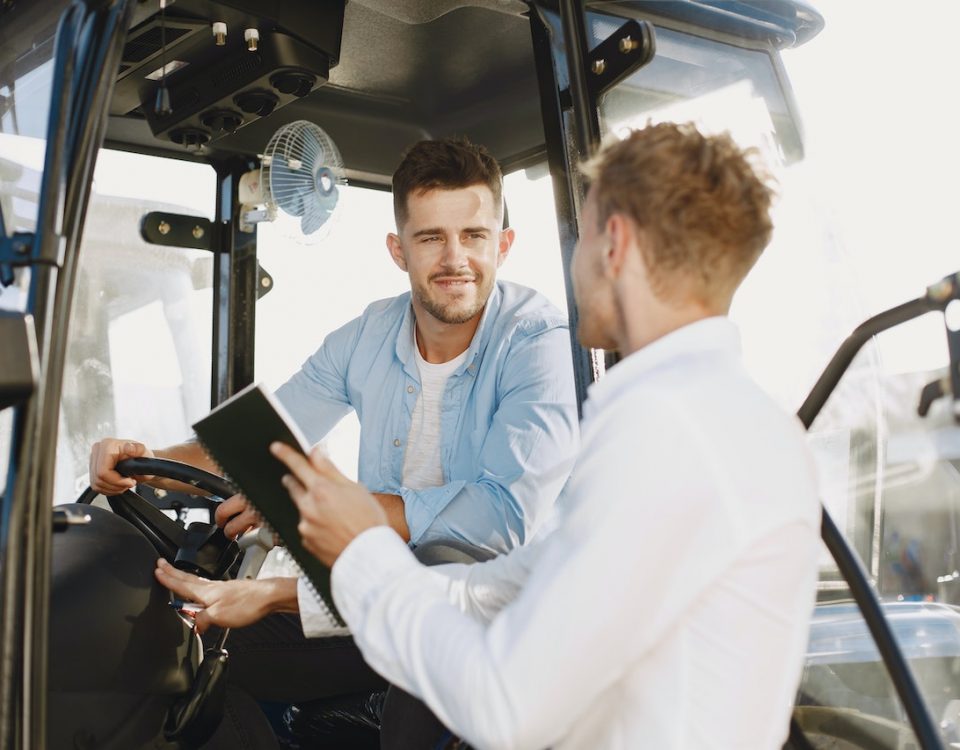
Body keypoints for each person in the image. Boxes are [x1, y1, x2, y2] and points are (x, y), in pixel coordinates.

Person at [207, 121, 823, 749]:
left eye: (576, 237)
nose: (573, 265)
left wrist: (360, 537)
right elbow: (497, 589)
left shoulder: (669, 431)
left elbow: (505, 708)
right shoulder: (726, 418)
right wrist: (278, 596)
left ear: (613, 244)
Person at [91, 137, 579, 746]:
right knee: (194, 655)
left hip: (500, 620)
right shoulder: (368, 335)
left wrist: (338, 515)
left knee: (436, 601)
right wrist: (143, 463)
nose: (456, 258)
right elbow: (258, 445)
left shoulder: (540, 344)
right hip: (379, 598)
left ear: (502, 244)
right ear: (398, 251)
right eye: (431, 238)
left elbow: (498, 522)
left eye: (474, 236)